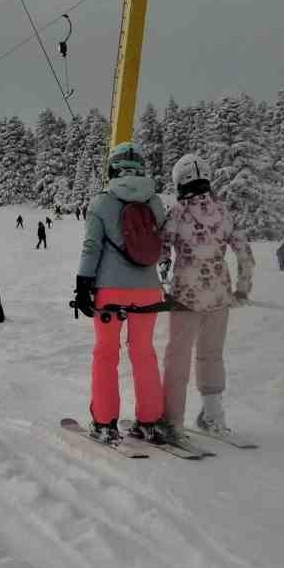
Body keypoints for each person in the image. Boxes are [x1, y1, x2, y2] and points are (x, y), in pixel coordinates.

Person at [75, 141, 170, 446]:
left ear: (112, 168)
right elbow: (161, 244)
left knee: (106, 354)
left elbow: (91, 248)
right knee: (144, 354)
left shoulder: (100, 202)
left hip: (110, 292)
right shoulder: (155, 202)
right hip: (148, 292)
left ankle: (105, 423)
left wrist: (82, 285)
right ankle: (150, 422)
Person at [159, 154, 254, 441]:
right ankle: (213, 417)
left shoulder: (177, 212)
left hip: (184, 298)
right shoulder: (223, 211)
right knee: (211, 355)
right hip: (220, 296)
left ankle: (172, 421)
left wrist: (161, 279)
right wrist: (242, 289)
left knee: (177, 357)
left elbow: (162, 248)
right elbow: (244, 253)